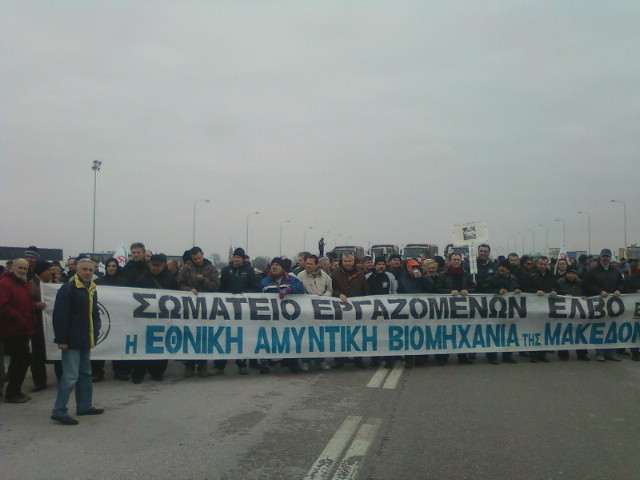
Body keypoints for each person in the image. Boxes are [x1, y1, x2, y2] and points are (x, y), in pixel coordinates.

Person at [50, 258, 103, 425]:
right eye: (85, 269)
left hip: (85, 339)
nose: (88, 272)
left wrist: (95, 330)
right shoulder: (68, 289)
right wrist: (62, 340)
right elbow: (60, 316)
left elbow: (94, 312)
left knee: (85, 374)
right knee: (70, 376)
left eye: (91, 270)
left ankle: (84, 406)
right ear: (77, 270)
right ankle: (59, 410)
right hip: (72, 340)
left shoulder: (91, 288)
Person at [132, 254, 178, 382]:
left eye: (158, 265)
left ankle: (157, 372)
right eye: (153, 265)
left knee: (160, 345)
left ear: (163, 266)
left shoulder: (170, 279)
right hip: (144, 319)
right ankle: (139, 373)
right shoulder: (141, 279)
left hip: (162, 319)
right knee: (142, 345)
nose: (155, 268)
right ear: (149, 264)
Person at [178, 247, 220, 377]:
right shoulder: (186, 268)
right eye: (195, 259)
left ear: (203, 255)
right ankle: (189, 365)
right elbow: (179, 283)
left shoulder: (211, 269)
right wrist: (188, 290)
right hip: (189, 307)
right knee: (190, 335)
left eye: (199, 258)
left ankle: (202, 365)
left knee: (203, 336)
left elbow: (216, 286)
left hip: (205, 307)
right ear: (192, 258)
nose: (198, 260)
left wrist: (204, 281)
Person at [260, 257, 305, 373]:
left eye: (277, 265)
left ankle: (292, 362)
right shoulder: (265, 282)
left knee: (289, 339)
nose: (274, 267)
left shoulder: (291, 279)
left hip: (288, 318)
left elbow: (301, 287)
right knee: (269, 339)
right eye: (272, 265)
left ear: (283, 268)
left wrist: (289, 289)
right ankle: (267, 363)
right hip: (271, 318)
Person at [0, 259, 35, 403]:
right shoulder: (4, 284)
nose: (22, 271)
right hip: (11, 330)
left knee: (20, 361)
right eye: (20, 268)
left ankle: (14, 390)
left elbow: (25, 303)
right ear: (12, 268)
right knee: (21, 360)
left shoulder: (23, 284)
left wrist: (36, 306)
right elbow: (3, 306)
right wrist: (20, 317)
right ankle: (12, 393)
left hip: (22, 329)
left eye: (25, 268)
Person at [583, 249, 625, 362]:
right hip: (598, 305)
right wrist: (599, 291)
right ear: (600, 257)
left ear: (610, 258)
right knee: (599, 329)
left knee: (612, 329)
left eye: (607, 256)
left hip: (613, 305)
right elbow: (586, 285)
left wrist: (619, 290)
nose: (605, 258)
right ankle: (600, 353)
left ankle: (611, 353)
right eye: (603, 256)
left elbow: (622, 283)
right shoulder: (592, 271)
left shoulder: (616, 271)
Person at [95, 258, 131, 380]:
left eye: (114, 266)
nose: (111, 268)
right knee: (100, 345)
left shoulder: (124, 282)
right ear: (106, 268)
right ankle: (97, 371)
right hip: (103, 318)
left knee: (118, 344)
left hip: (119, 318)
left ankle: (120, 371)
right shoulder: (98, 282)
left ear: (117, 267)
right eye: (109, 266)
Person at [331, 253, 369, 369]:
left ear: (353, 261)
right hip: (341, 308)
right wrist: (339, 294)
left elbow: (366, 291)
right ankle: (340, 359)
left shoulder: (360, 274)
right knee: (341, 335)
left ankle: (358, 359)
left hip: (357, 309)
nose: (347, 263)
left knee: (357, 334)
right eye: (345, 261)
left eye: (349, 261)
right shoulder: (335, 274)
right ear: (342, 262)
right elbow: (331, 289)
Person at [482, 260, 521, 364]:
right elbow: (484, 289)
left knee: (508, 333)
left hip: (509, 310)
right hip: (494, 309)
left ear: (509, 270)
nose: (501, 269)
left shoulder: (513, 279)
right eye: (500, 266)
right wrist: (497, 291)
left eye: (504, 267)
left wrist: (517, 290)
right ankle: (492, 356)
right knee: (493, 333)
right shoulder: (492, 278)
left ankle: (507, 356)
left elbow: (517, 287)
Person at [297, 254, 332, 371]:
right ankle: (305, 361)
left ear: (317, 265)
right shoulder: (300, 276)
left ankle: (320, 360)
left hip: (320, 311)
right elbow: (298, 292)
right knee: (307, 337)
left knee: (320, 336)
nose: (308, 266)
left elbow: (330, 290)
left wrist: (323, 297)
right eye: (307, 263)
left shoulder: (326, 277)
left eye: (310, 264)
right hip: (306, 312)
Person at [366, 257, 399, 368]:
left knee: (387, 335)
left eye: (383, 264)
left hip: (387, 311)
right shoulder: (368, 277)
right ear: (375, 265)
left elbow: (394, 291)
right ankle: (374, 359)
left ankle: (389, 359)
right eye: (379, 264)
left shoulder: (390, 276)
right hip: (373, 311)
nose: (381, 266)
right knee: (374, 335)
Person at [553, 265, 589, 361]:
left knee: (579, 332)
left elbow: (586, 293)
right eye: (569, 273)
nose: (571, 275)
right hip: (564, 311)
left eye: (573, 273)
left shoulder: (581, 283)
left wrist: (584, 296)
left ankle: (582, 354)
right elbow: (555, 293)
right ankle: (563, 354)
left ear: (576, 274)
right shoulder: (559, 282)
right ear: (566, 273)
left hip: (577, 311)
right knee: (563, 332)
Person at [30, 260, 54, 391]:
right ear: (41, 272)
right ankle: (39, 382)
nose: (51, 272)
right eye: (48, 270)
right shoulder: (31, 285)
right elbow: (24, 303)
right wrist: (35, 305)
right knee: (38, 354)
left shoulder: (53, 284)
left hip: (52, 324)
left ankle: (62, 378)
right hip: (37, 324)